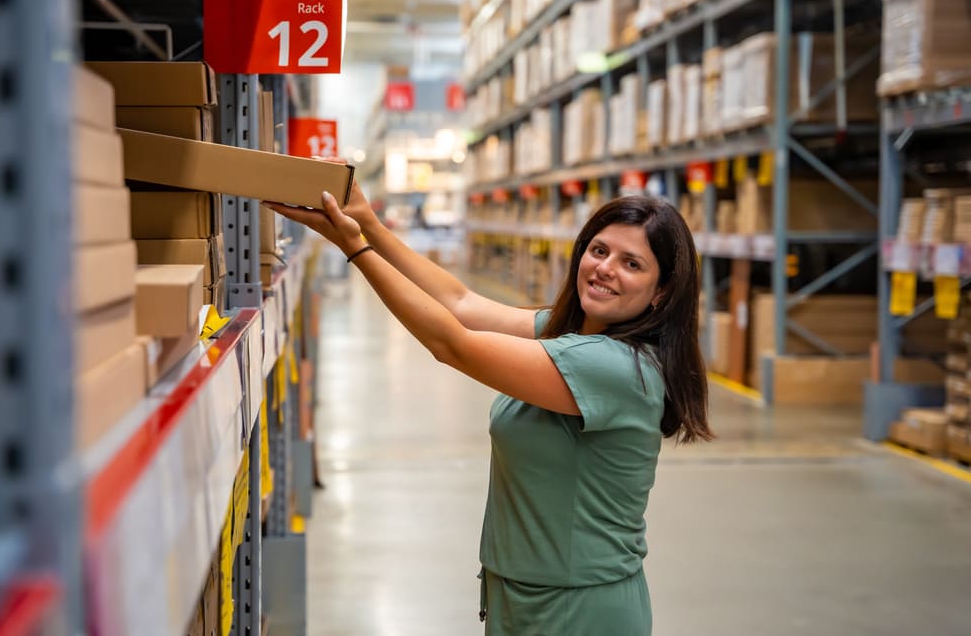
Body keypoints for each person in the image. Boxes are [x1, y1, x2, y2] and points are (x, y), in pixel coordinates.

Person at [266, 166, 712, 635]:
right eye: (599, 250)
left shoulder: (615, 367)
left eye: (631, 263)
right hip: (529, 592)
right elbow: (459, 303)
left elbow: (452, 343)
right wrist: (371, 226)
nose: (605, 268)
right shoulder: (570, 333)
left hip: (577, 608)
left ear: (661, 291)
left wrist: (355, 248)